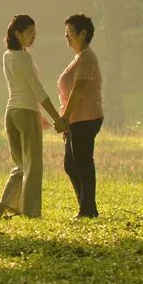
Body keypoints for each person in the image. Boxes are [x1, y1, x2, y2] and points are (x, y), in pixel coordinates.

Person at [0, 15, 67, 219]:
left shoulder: (7, 55)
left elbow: (22, 88)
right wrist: (56, 118)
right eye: (29, 34)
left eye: (35, 34)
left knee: (21, 165)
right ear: (17, 34)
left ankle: (5, 204)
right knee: (33, 166)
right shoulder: (23, 58)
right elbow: (37, 89)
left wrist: (40, 114)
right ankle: (31, 213)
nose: (33, 37)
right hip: (26, 113)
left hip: (12, 113)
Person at [58, 13, 104, 219]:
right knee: (70, 164)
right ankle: (87, 206)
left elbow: (78, 89)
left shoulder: (87, 57)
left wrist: (65, 117)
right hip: (75, 119)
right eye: (65, 32)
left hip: (85, 117)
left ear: (83, 33)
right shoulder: (78, 58)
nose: (66, 36)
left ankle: (87, 210)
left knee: (83, 162)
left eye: (69, 32)